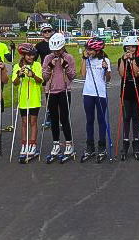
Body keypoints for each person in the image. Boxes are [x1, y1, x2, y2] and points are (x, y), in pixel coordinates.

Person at [42, 32, 77, 163]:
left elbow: (72, 76)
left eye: (58, 50)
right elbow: (45, 77)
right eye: (54, 51)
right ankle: (56, 144)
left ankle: (69, 144)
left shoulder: (69, 57)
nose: (56, 53)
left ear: (62, 47)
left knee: (64, 118)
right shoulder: (48, 58)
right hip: (50, 91)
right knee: (54, 119)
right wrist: (50, 66)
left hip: (64, 91)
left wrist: (65, 66)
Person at [79, 37, 112, 162]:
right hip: (88, 93)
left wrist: (106, 69)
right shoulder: (87, 59)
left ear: (97, 50)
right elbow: (83, 74)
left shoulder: (105, 60)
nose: (88, 51)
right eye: (87, 49)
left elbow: (108, 79)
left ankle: (102, 147)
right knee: (89, 120)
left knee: (101, 120)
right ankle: (90, 147)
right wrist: (84, 58)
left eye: (90, 50)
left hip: (100, 94)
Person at [12, 43, 44, 162]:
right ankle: (24, 144)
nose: (31, 57)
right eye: (28, 55)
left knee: (33, 122)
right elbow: (14, 83)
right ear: (23, 55)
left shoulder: (37, 65)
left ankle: (33, 144)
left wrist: (33, 75)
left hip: (34, 98)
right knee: (24, 122)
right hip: (23, 99)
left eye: (32, 55)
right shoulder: (17, 66)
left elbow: (40, 81)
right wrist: (19, 75)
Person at [117, 35, 139, 160]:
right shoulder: (121, 59)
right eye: (128, 47)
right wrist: (124, 61)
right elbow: (122, 74)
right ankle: (125, 142)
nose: (130, 49)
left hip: (136, 91)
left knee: (135, 117)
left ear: (136, 48)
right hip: (125, 92)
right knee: (126, 117)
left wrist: (132, 60)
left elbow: (137, 73)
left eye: (133, 47)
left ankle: (136, 143)